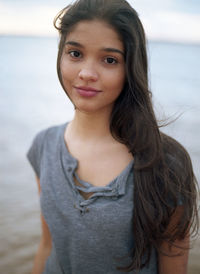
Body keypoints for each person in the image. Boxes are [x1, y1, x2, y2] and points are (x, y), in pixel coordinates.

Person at [27, 0, 199, 273]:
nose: (86, 73)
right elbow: (48, 247)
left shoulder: (167, 163)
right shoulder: (43, 146)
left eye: (109, 60)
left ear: (130, 68)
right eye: (75, 53)